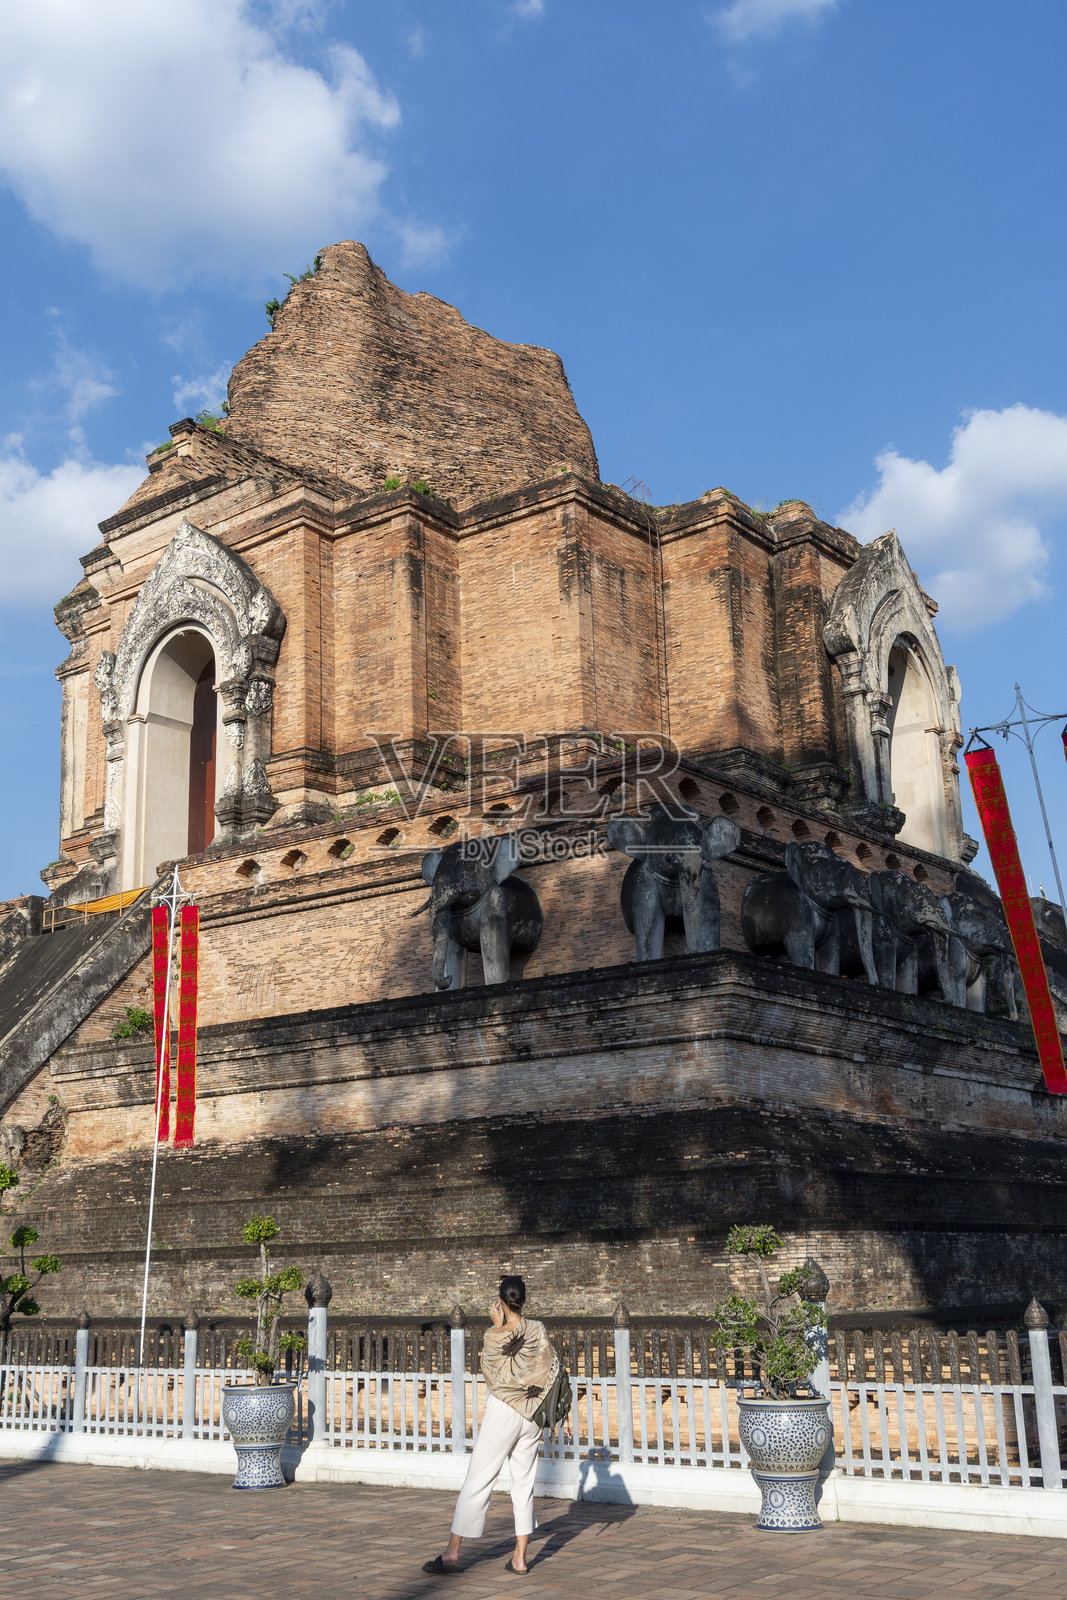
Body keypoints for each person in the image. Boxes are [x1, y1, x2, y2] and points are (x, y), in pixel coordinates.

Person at [423, 1275, 558, 1577]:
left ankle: (452, 1551)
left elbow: (494, 1375)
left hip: (505, 1411)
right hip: (532, 1413)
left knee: (479, 1478)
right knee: (523, 1484)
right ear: (523, 1300)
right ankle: (520, 1558)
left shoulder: (494, 1334)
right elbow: (547, 1366)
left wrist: (498, 1328)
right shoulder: (538, 1328)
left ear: (500, 1301)